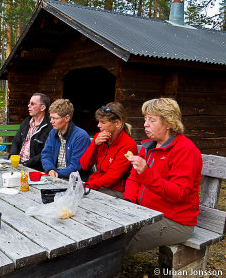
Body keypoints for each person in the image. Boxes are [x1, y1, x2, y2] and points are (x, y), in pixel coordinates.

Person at [123, 98, 202, 255]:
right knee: (109, 232)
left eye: (152, 120)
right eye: (145, 119)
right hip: (146, 212)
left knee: (120, 242)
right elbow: (133, 178)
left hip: (175, 221)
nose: (145, 124)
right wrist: (128, 203)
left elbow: (179, 193)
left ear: (169, 123)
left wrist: (146, 173)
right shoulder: (148, 147)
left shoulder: (185, 150)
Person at [80, 103, 137, 198]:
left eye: (103, 122)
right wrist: (94, 145)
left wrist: (88, 185)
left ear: (117, 123)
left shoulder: (128, 145)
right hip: (97, 184)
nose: (99, 125)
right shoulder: (100, 137)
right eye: (98, 121)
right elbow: (84, 165)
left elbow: (111, 178)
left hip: (114, 190)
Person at [41, 99, 90, 179]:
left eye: (55, 118)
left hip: (74, 180)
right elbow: (46, 154)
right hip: (55, 176)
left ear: (67, 118)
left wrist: (56, 173)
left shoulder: (81, 136)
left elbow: (76, 166)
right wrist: (50, 169)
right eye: (51, 117)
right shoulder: (53, 132)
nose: (51, 121)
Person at [9, 93, 52, 171]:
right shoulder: (27, 122)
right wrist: (12, 156)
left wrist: (25, 164)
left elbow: (44, 154)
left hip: (34, 168)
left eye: (32, 104)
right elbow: (16, 141)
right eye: (29, 103)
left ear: (42, 107)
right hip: (18, 163)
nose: (29, 106)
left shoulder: (49, 127)